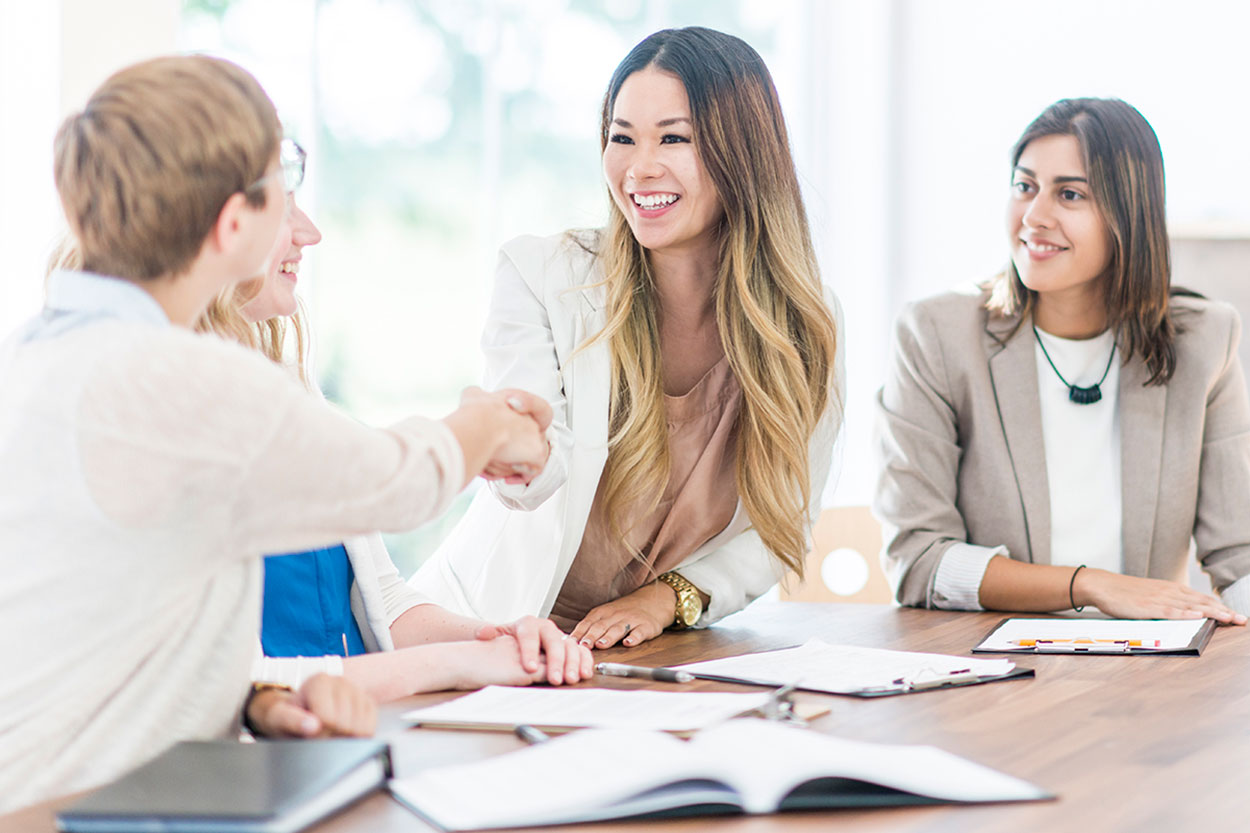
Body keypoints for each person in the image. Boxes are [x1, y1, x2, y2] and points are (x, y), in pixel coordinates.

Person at [0, 54, 553, 811]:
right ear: (232, 224)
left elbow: (115, 634)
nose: (306, 222)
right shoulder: (175, 379)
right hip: (83, 811)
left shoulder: (38, 358)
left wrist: (255, 699)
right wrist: (490, 423)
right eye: (284, 186)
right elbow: (396, 482)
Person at [412, 26, 844, 649]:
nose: (640, 168)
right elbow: (538, 469)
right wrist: (512, 449)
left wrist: (667, 598)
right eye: (621, 138)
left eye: (674, 138)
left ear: (743, 153)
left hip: (653, 648)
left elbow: (783, 524)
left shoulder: (800, 326)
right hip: (494, 634)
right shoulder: (542, 275)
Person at [195, 146, 591, 702]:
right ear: (221, 226)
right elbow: (240, 686)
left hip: (349, 732)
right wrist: (487, 430)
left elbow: (380, 598)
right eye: (284, 211)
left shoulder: (288, 393)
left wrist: (493, 640)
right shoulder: (172, 416)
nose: (310, 232)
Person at [875, 97, 1250, 622]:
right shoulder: (937, 335)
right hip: (997, 671)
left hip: (1153, 671)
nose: (1034, 216)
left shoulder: (1204, 339)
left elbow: (1240, 555)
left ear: (1129, 215)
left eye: (1069, 194)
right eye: (1024, 186)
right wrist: (1090, 586)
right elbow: (920, 562)